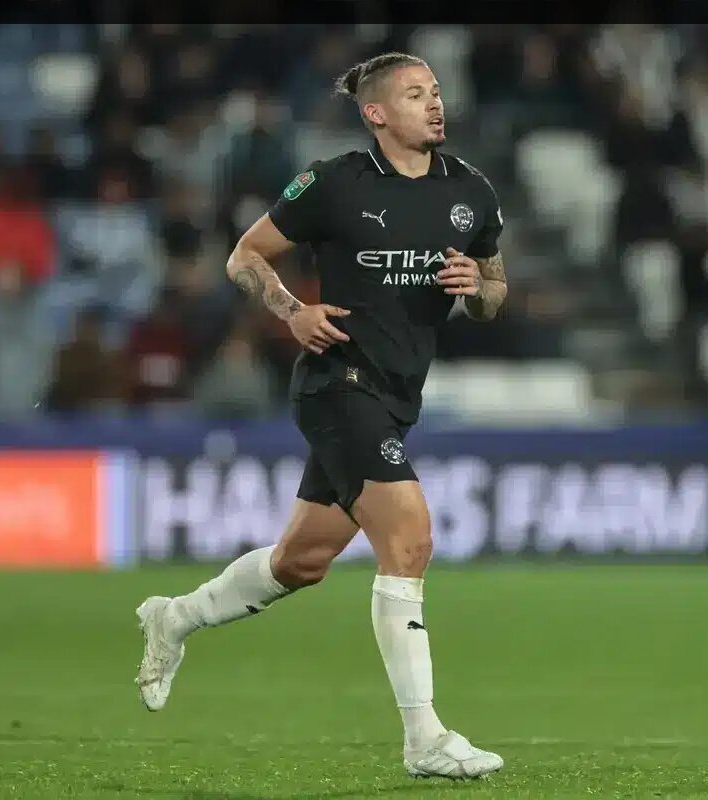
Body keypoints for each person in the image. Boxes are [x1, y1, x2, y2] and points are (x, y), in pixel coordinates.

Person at [134, 52, 508, 780]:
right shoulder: (335, 183)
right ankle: (424, 738)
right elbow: (246, 256)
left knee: (300, 563)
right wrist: (291, 310)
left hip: (396, 397)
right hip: (338, 383)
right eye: (415, 94)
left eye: (435, 91)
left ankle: (173, 618)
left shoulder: (471, 190)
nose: (435, 104)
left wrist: (478, 288)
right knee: (410, 538)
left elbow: (494, 290)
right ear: (376, 113)